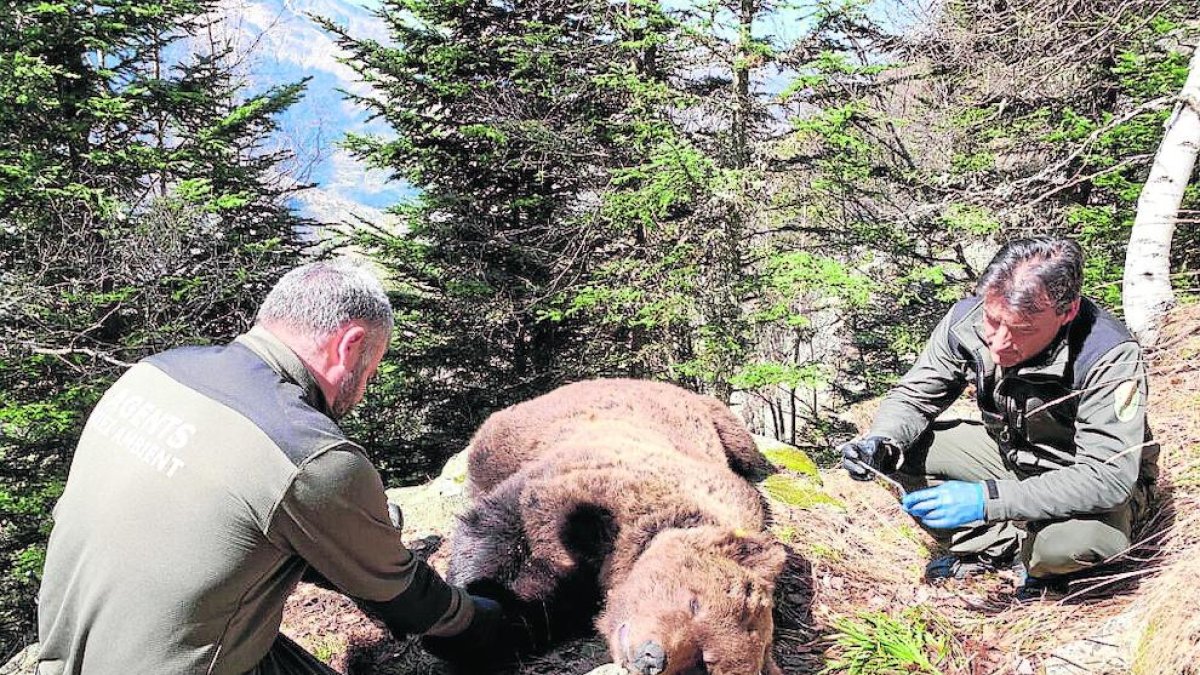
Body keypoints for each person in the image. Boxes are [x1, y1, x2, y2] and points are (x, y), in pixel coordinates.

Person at [36, 260, 503, 674]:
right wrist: (489, 619)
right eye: (372, 370)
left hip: (68, 653)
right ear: (350, 345)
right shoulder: (308, 454)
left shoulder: (152, 372)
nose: (364, 390)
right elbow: (406, 600)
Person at [840, 237, 1158, 600]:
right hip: (1013, 455)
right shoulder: (965, 321)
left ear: (1066, 312)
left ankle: (1039, 561)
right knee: (903, 454)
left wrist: (987, 500)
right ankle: (1005, 548)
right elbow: (914, 396)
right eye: (993, 321)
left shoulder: (1108, 355)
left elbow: (1108, 478)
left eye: (1022, 331)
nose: (999, 344)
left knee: (1074, 546)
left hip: (1080, 476)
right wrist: (881, 442)